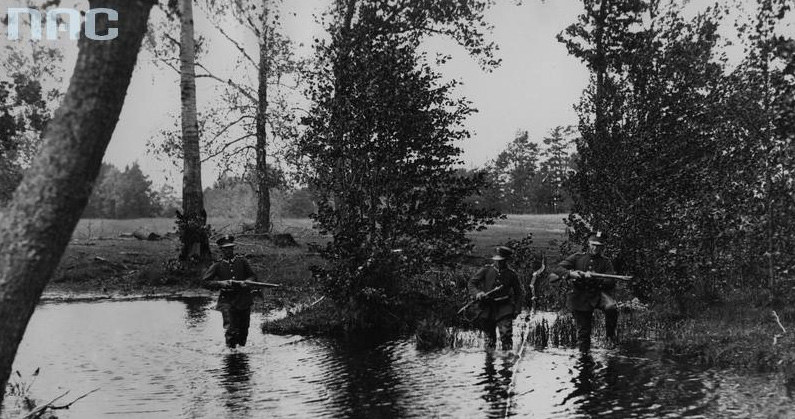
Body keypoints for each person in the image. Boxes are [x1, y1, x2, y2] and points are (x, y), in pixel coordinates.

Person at [552, 232, 618, 352]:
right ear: (588, 244)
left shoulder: (605, 262)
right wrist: (570, 274)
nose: (595, 248)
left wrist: (595, 279)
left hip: (597, 295)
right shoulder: (577, 257)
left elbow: (611, 281)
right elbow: (557, 269)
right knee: (584, 333)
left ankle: (610, 336)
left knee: (611, 307)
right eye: (593, 245)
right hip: (580, 296)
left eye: (599, 245)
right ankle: (584, 359)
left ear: (602, 247)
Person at [202, 235, 259, 348]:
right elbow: (205, 282)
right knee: (231, 329)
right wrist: (220, 283)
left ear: (233, 248)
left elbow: (252, 275)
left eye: (230, 248)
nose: (228, 251)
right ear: (221, 250)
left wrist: (247, 281)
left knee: (244, 329)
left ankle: (241, 353)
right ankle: (230, 354)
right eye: (225, 249)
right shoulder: (217, 265)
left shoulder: (242, 261)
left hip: (243, 299)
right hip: (227, 301)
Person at [468, 246, 524, 351]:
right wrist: (478, 293)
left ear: (506, 260)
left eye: (502, 261)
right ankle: (489, 362)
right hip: (487, 308)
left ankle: (506, 362)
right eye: (497, 261)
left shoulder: (511, 274)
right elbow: (472, 283)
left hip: (504, 308)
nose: (499, 263)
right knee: (489, 339)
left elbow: (519, 292)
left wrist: (517, 309)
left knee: (506, 335)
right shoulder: (486, 270)